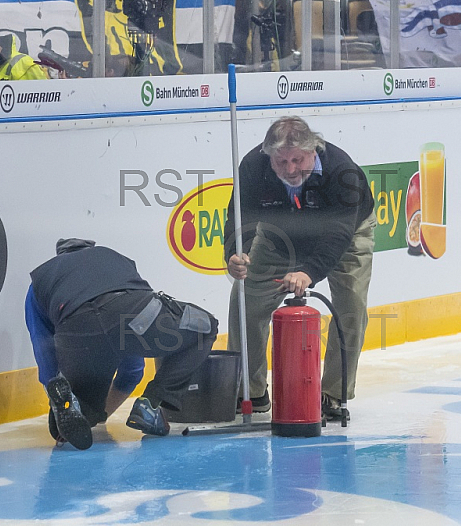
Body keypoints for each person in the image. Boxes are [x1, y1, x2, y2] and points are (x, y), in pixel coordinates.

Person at [223, 116, 376, 420]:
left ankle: (334, 394)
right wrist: (234, 253)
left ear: (313, 150)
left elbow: (339, 232)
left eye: (298, 160)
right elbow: (238, 216)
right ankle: (251, 391)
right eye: (281, 162)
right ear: (269, 156)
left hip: (345, 235)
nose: (291, 169)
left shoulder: (342, 171)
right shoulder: (253, 166)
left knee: (351, 306)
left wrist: (309, 272)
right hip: (278, 237)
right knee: (246, 302)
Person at [25, 238, 217, 450]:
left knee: (83, 411)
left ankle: (73, 409)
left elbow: (43, 349)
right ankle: (152, 403)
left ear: (59, 257)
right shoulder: (115, 259)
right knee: (205, 328)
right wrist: (107, 414)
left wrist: (56, 382)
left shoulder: (41, 282)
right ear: (91, 249)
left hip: (78, 331)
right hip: (130, 317)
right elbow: (133, 369)